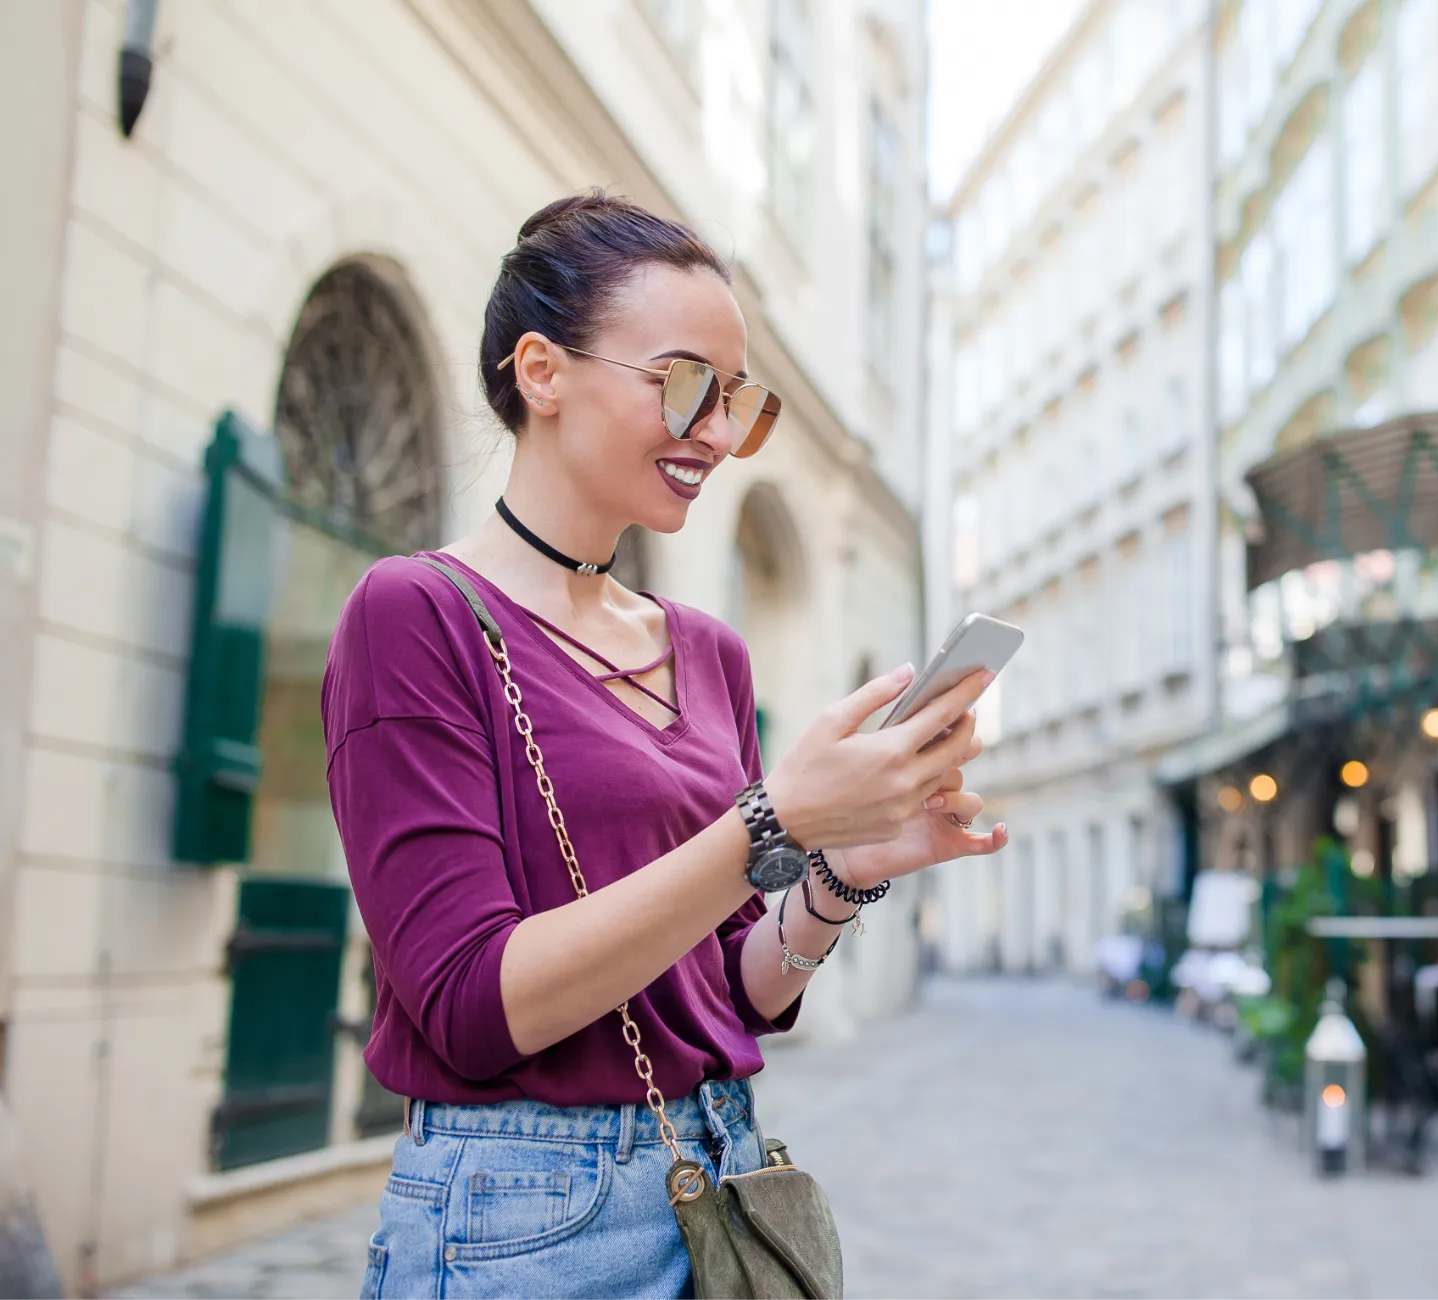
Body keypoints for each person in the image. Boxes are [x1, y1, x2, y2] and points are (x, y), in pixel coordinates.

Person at [322, 190, 1007, 1300]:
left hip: (719, 1180)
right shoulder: (417, 613)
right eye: (686, 383)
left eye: (737, 400)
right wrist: (774, 823)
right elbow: (469, 1002)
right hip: (523, 1210)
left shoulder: (706, 653)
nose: (718, 434)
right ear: (540, 372)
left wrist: (840, 870)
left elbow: (731, 993)